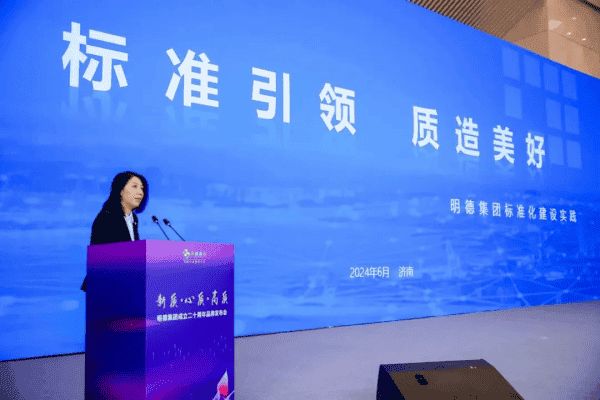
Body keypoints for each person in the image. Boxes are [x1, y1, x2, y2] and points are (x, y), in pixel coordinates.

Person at [80, 171, 149, 292]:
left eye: (142, 188)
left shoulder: (133, 219)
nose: (140, 192)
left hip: (124, 283)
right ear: (120, 190)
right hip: (105, 284)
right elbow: (103, 256)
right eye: (134, 186)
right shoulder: (107, 217)